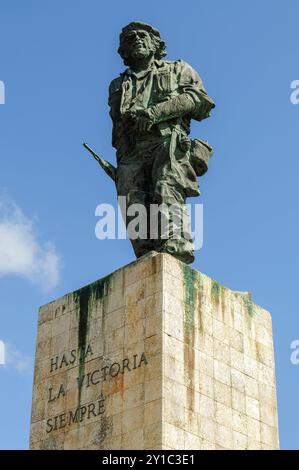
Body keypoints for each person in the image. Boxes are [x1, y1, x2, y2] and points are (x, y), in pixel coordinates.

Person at [108, 21, 215, 263]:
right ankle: (146, 257)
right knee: (131, 201)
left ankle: (175, 248)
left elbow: (199, 101)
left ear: (156, 44)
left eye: (142, 35)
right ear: (123, 51)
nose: (136, 39)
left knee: (166, 191)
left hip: (167, 143)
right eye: (129, 38)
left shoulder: (178, 69)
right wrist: (122, 159)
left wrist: (156, 113)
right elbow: (117, 126)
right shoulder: (117, 86)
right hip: (132, 153)